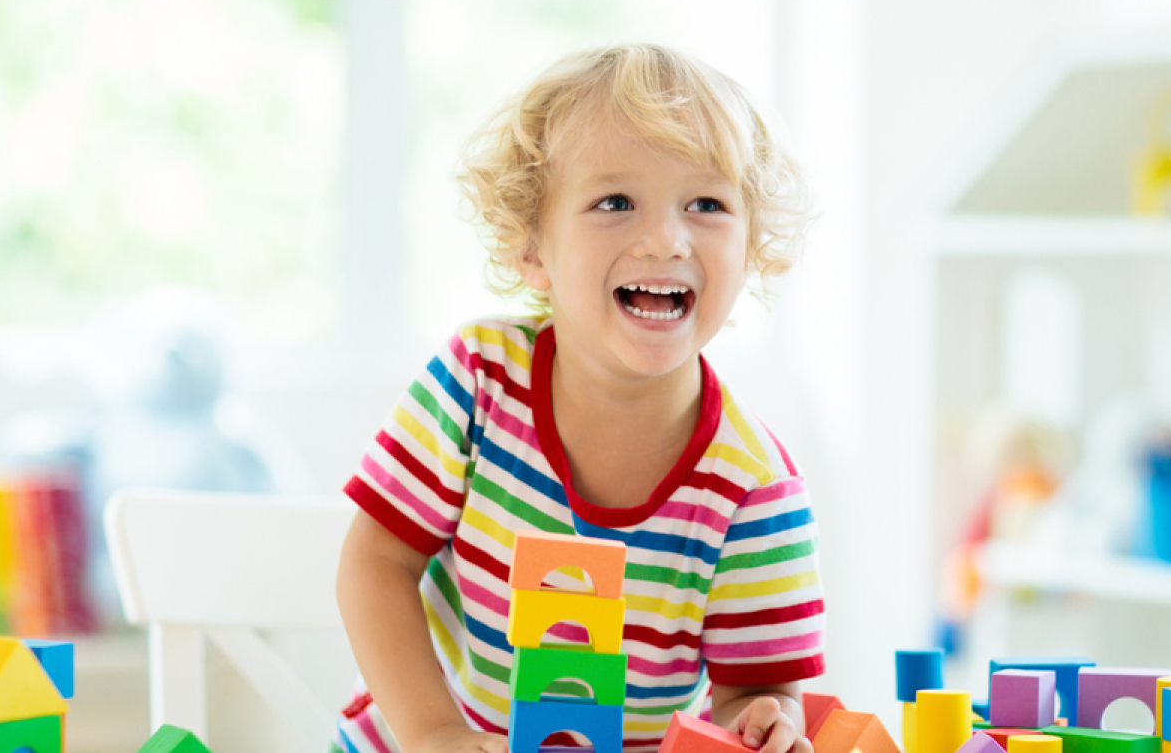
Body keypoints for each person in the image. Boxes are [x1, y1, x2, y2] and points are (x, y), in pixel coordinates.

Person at [334, 45, 824, 753]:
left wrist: (768, 720)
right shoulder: (478, 381)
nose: (665, 238)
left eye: (707, 204)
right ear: (533, 247)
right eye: (615, 202)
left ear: (751, 249)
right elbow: (375, 565)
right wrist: (433, 733)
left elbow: (755, 691)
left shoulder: (756, 489)